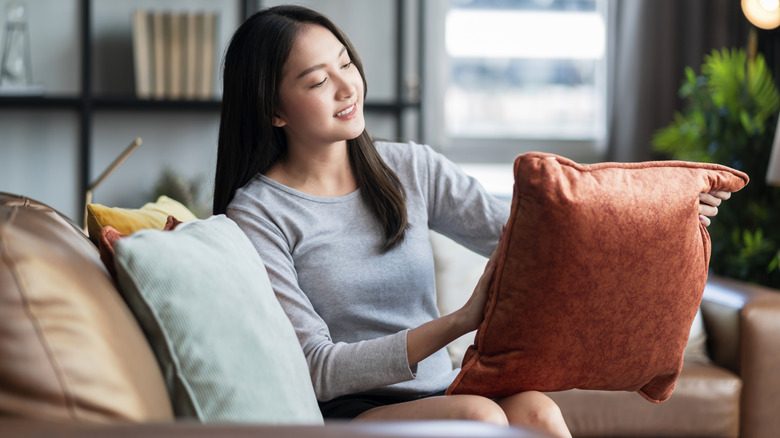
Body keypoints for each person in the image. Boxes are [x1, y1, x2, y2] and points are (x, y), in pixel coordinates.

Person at [213, 5, 729, 437]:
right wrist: (460, 322)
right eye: (319, 80)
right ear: (273, 110)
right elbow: (317, 368)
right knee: (478, 417)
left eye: (346, 64)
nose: (347, 88)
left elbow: (542, 236)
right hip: (351, 408)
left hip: (443, 391)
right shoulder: (258, 214)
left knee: (539, 412)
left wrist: (667, 214)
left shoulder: (409, 167)